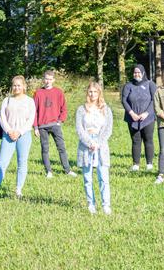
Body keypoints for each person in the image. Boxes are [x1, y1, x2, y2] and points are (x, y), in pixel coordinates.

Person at [0, 76, 36, 199]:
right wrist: (9, 131)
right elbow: (2, 117)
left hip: (23, 135)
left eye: (19, 85)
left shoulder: (29, 101)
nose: (16, 88)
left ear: (24, 86)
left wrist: (19, 132)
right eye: (14, 85)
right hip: (8, 135)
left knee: (22, 163)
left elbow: (30, 120)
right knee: (2, 163)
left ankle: (19, 189)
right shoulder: (6, 100)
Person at [75, 82, 113, 214]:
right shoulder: (81, 109)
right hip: (87, 144)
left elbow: (108, 129)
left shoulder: (106, 109)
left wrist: (98, 143)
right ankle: (91, 203)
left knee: (103, 176)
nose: (92, 94)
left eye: (95, 92)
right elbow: (79, 129)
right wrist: (89, 143)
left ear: (99, 93)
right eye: (90, 92)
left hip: (101, 144)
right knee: (87, 177)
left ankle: (106, 204)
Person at [33, 70, 77, 178]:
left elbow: (64, 108)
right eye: (46, 79)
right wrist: (35, 127)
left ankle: (67, 170)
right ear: (43, 79)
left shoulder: (58, 92)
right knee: (45, 148)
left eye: (50, 79)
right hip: (42, 126)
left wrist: (60, 121)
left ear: (53, 80)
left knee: (61, 147)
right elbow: (34, 111)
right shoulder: (38, 93)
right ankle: (48, 171)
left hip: (55, 124)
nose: (48, 81)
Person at [122, 65, 156, 171]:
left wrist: (146, 113)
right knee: (135, 140)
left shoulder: (150, 84)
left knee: (148, 139)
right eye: (135, 73)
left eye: (138, 72)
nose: (137, 75)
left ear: (143, 73)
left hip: (148, 118)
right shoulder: (128, 85)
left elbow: (155, 100)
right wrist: (131, 113)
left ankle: (149, 163)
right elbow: (124, 100)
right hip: (133, 118)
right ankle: (136, 164)